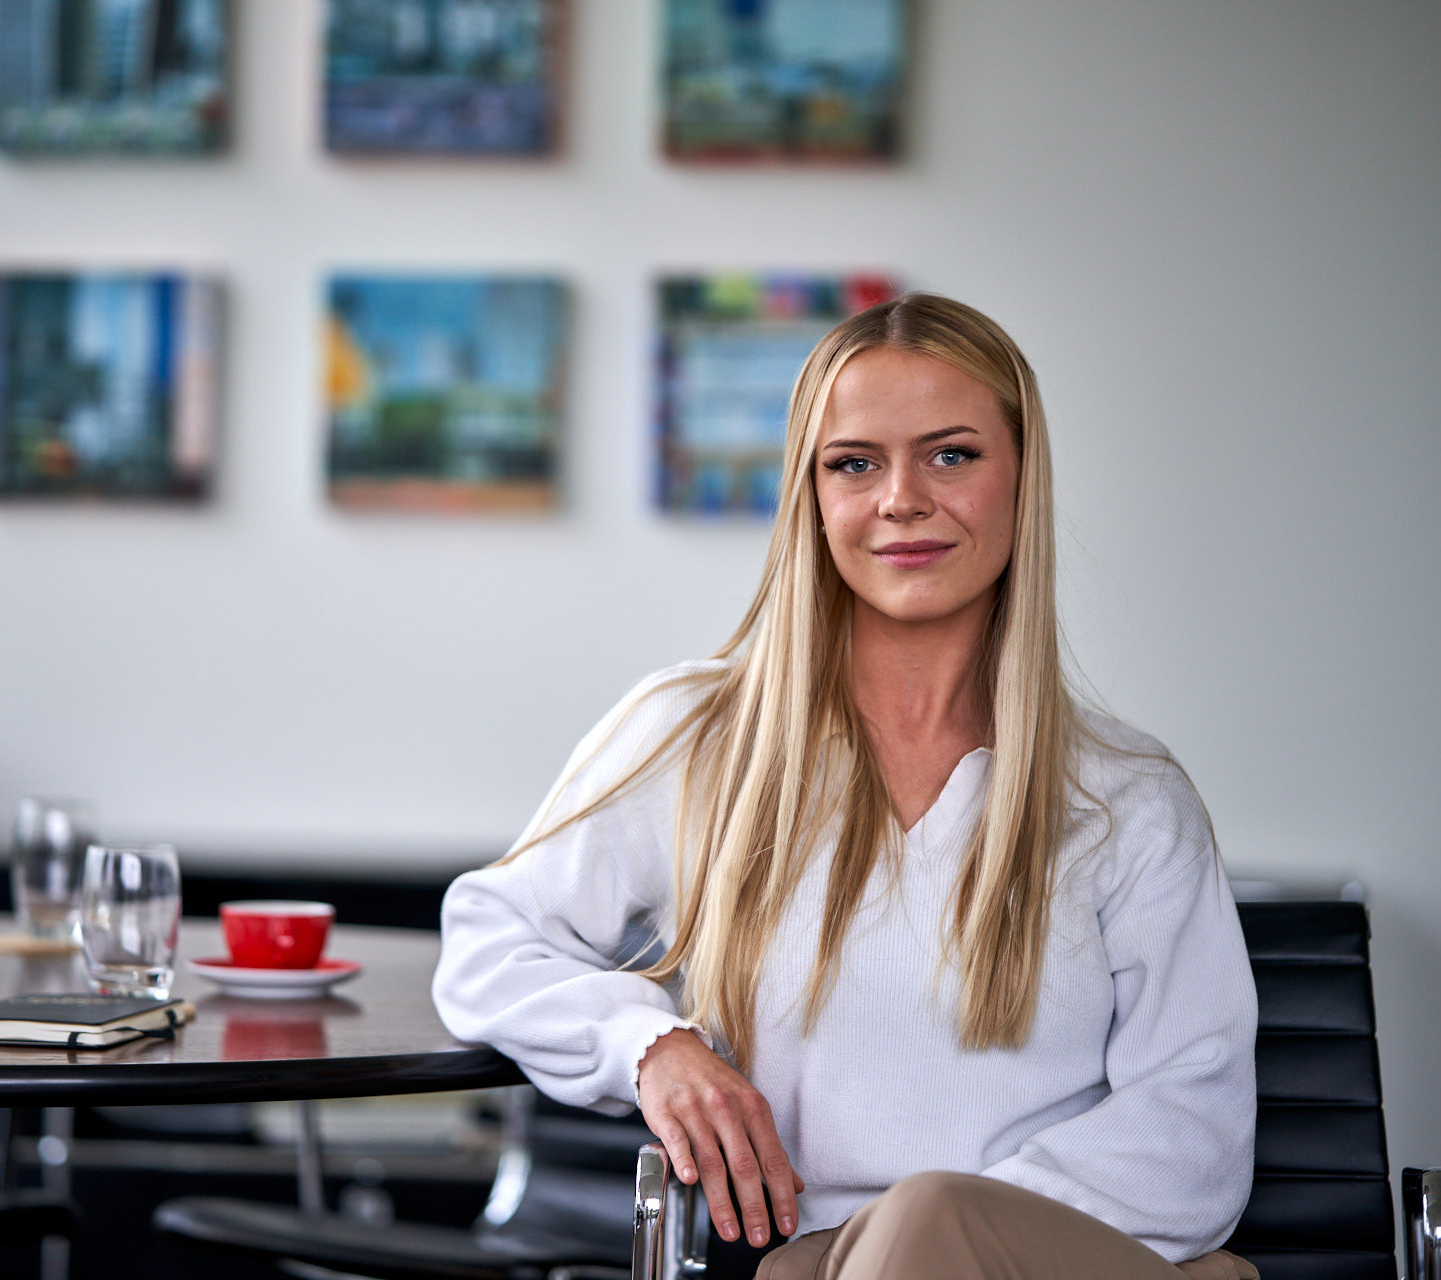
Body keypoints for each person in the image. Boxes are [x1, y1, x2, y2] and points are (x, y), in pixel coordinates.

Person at [432, 294, 1260, 1280]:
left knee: (931, 1217)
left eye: (950, 454)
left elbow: (1195, 1142)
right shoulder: (698, 739)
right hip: (806, 1264)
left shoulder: (1128, 799)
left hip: (1063, 1265)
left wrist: (930, 1240)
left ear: (1021, 478)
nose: (901, 498)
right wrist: (650, 1042)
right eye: (855, 463)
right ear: (812, 495)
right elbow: (487, 941)